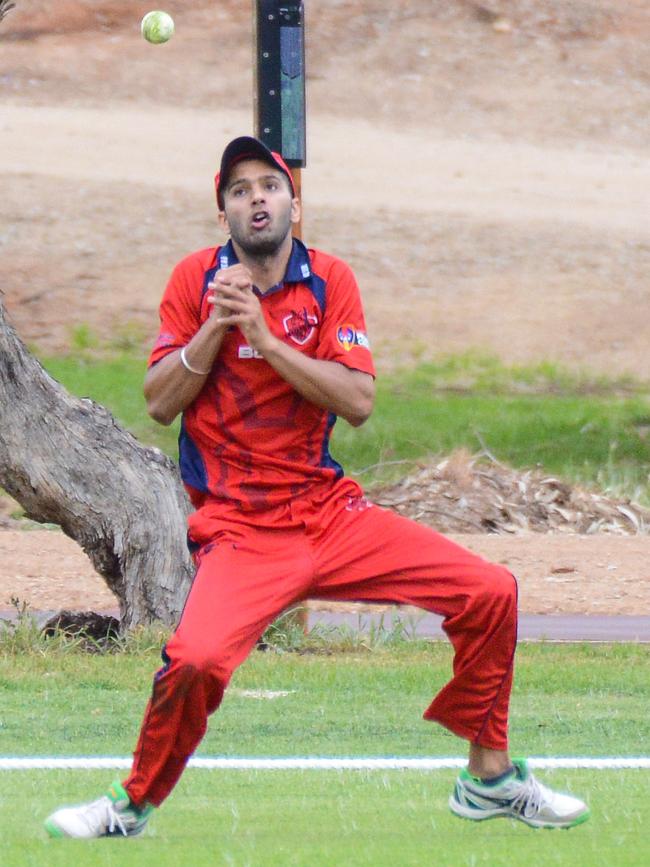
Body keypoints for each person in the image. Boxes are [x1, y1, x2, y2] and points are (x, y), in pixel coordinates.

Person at [44, 136, 589, 839]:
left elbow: (358, 401)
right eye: (239, 190)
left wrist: (270, 342)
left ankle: (489, 778)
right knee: (198, 660)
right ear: (224, 217)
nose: (256, 198)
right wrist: (219, 324)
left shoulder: (330, 279)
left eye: (269, 185)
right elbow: (158, 400)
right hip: (241, 529)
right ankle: (130, 804)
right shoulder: (194, 281)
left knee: (491, 590)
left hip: (330, 516)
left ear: (293, 204)